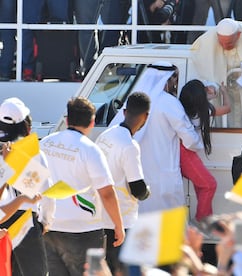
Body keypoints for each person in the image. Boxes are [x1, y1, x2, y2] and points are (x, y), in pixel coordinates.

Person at [40, 97, 125, 275]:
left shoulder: (45, 143)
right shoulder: (90, 150)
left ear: (67, 120)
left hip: (49, 227)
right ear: (92, 122)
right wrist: (118, 225)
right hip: (83, 230)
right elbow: (107, 193)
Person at [111, 62, 203, 213]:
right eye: (174, 80)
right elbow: (190, 140)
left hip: (138, 175)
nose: (175, 84)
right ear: (167, 79)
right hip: (163, 176)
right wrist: (199, 144)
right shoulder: (169, 103)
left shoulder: (133, 101)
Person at [95, 92, 151, 275]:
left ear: (124, 112)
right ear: (146, 116)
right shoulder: (129, 145)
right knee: (121, 270)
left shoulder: (106, 135)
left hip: (100, 213)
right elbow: (138, 188)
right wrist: (147, 192)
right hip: (122, 219)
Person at [0, 97, 55, 276]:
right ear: (26, 124)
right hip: (26, 223)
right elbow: (47, 193)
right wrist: (46, 222)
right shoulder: (33, 152)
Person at [179, 79, 231, 222]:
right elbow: (227, 108)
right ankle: (202, 221)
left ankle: (205, 218)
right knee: (209, 185)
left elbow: (204, 98)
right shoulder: (203, 111)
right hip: (187, 153)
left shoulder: (182, 108)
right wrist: (224, 91)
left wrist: (208, 92)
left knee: (202, 186)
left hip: (181, 151)